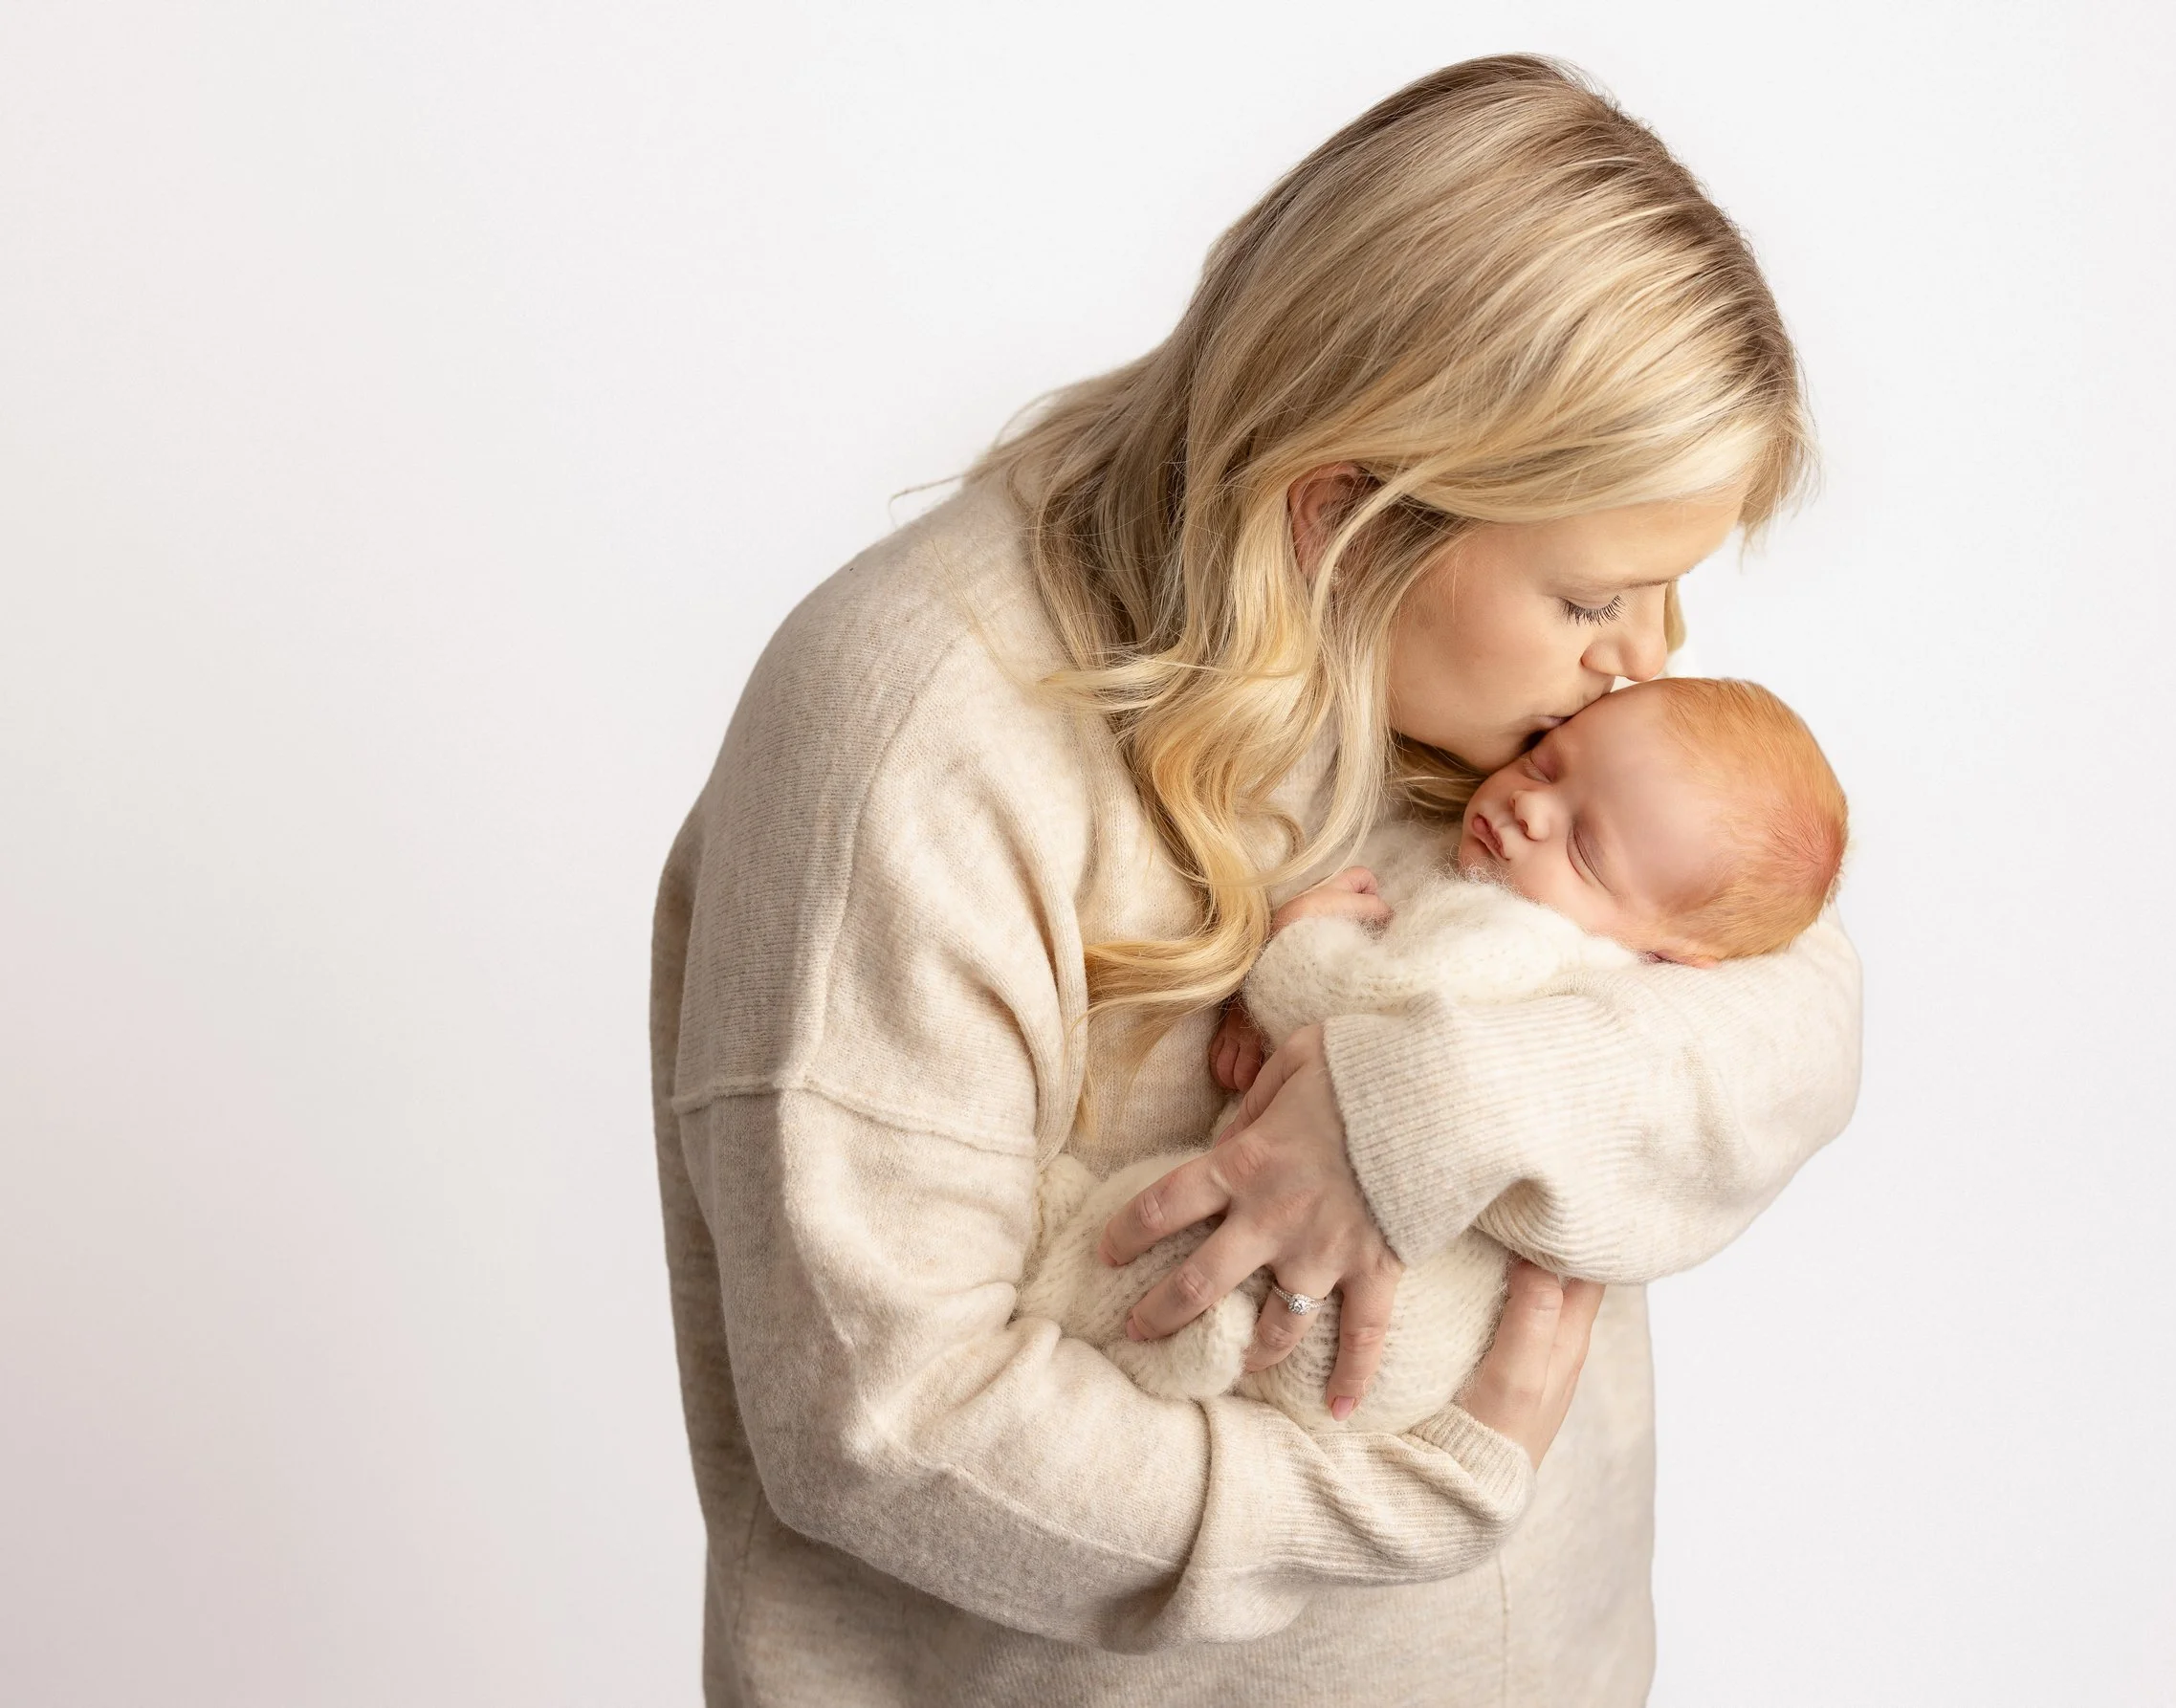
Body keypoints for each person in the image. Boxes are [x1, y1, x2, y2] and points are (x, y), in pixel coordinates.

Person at [649, 54, 1861, 1706]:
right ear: (1342, 518)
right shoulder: (910, 734)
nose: (1653, 662)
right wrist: (1397, 1500)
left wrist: (1424, 1106)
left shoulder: (1511, 712)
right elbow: (884, 1420)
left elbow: (1792, 984)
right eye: (1598, 599)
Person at [1019, 676, 1850, 1436]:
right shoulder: (1618, 900)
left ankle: (1074, 1272)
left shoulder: (1515, 938)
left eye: (1586, 849)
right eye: (1546, 761)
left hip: (1363, 1308)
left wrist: (1301, 944)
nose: (1532, 809)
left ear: (1674, 951)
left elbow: (1367, 1019)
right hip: (1415, 1346)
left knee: (1146, 1230)